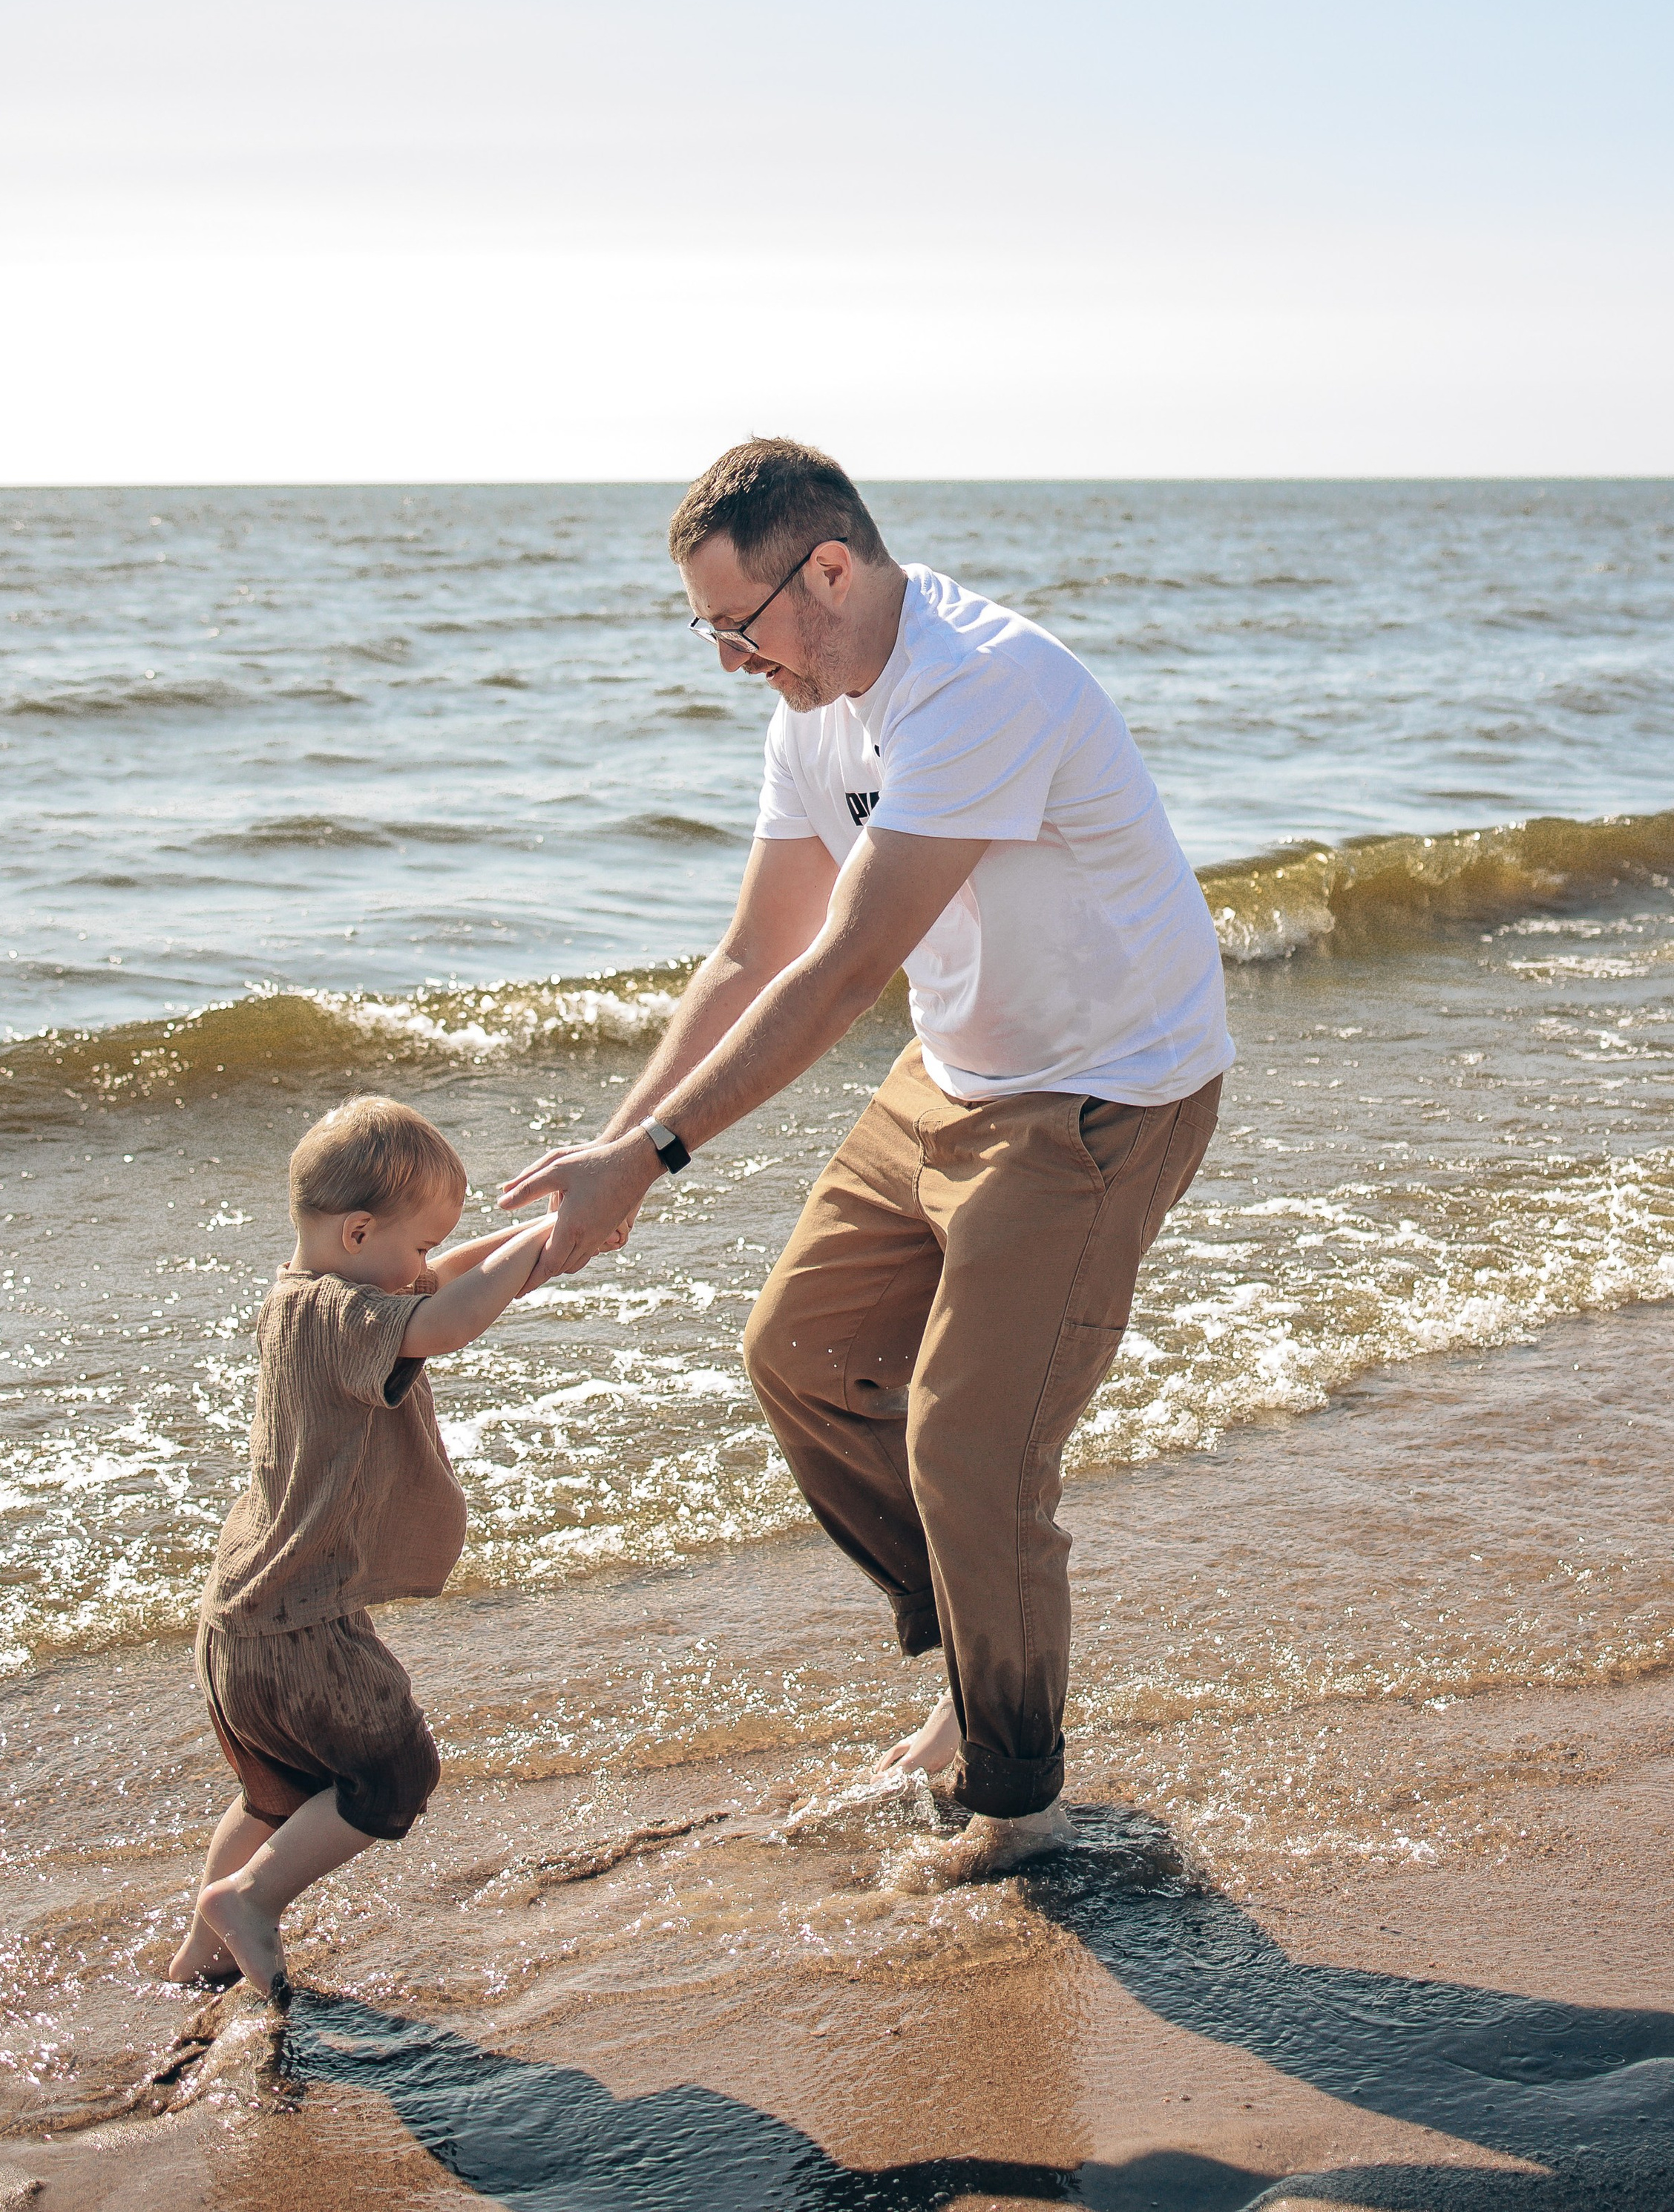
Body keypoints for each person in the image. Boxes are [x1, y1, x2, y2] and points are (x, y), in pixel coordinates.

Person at [504, 439, 1232, 1883]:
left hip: (1098, 1092)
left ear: (825, 568)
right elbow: (750, 950)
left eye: (738, 623)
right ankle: (974, 1675)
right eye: (707, 630)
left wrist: (651, 1160)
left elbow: (838, 967)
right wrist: (603, 1149)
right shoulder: (815, 704)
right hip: (953, 1066)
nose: (727, 661)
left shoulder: (979, 684)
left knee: (971, 1448)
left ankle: (1016, 1805)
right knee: (802, 1354)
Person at [171, 1094, 573, 1995]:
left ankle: (199, 1960)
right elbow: (447, 1320)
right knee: (396, 1773)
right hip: (302, 1628)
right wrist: (526, 1253)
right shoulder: (341, 1317)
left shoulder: (303, 1297)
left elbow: (441, 1289)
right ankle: (249, 1902)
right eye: (421, 1244)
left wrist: (547, 1243)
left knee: (273, 1799)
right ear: (358, 1233)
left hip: (238, 1620)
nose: (428, 1264)